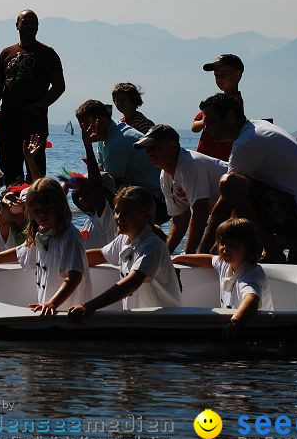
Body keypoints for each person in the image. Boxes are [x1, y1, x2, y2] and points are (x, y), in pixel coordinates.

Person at [196, 93, 297, 265]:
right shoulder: (256, 127)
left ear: (230, 116)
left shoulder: (247, 142)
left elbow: (227, 199)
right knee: (240, 195)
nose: (206, 129)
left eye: (209, 122)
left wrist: (201, 253)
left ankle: (273, 251)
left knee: (228, 183)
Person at [0, 177, 93, 315]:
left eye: (47, 209)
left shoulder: (69, 236)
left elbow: (74, 277)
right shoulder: (42, 232)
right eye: (36, 211)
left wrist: (53, 303)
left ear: (59, 207)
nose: (42, 215)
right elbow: (19, 252)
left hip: (68, 312)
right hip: (48, 308)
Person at [68, 186, 182, 319]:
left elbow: (132, 283)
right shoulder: (125, 238)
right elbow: (100, 255)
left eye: (127, 212)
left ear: (146, 216)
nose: (119, 217)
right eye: (117, 211)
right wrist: (68, 262)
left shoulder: (153, 246)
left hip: (165, 322)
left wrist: (88, 306)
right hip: (138, 320)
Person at [0, 9, 66, 185]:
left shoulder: (47, 53)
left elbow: (59, 87)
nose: (29, 26)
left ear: (38, 27)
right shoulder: (6, 53)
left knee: (36, 170)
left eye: (33, 23)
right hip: (8, 120)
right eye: (25, 22)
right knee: (10, 171)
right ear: (17, 25)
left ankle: (34, 207)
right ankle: (13, 207)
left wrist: (40, 105)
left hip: (34, 121)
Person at [135, 124, 228, 254]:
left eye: (154, 147)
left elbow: (200, 213)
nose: (149, 153)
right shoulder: (165, 175)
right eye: (147, 149)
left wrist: (188, 253)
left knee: (211, 252)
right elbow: (180, 218)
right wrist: (165, 254)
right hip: (222, 214)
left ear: (173, 146)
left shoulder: (190, 165)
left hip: (247, 204)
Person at [173, 218, 273, 337]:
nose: (225, 248)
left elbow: (251, 299)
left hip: (257, 329)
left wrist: (235, 321)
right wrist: (177, 258)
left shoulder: (250, 274)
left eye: (233, 244)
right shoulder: (226, 264)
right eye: (222, 243)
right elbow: (210, 259)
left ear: (249, 247)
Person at [75, 99, 166, 222]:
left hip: (156, 202)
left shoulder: (117, 142)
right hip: (139, 191)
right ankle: (101, 226)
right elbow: (101, 171)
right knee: (79, 190)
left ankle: (104, 227)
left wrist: (87, 145)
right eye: (82, 128)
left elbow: (109, 183)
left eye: (87, 126)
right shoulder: (107, 134)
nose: (84, 132)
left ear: (102, 121)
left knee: (85, 193)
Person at [191, 54, 244, 161]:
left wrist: (205, 121)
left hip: (218, 159)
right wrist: (205, 121)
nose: (219, 79)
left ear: (237, 75)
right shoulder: (217, 102)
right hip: (207, 158)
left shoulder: (229, 103)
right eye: (216, 75)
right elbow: (194, 126)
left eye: (223, 74)